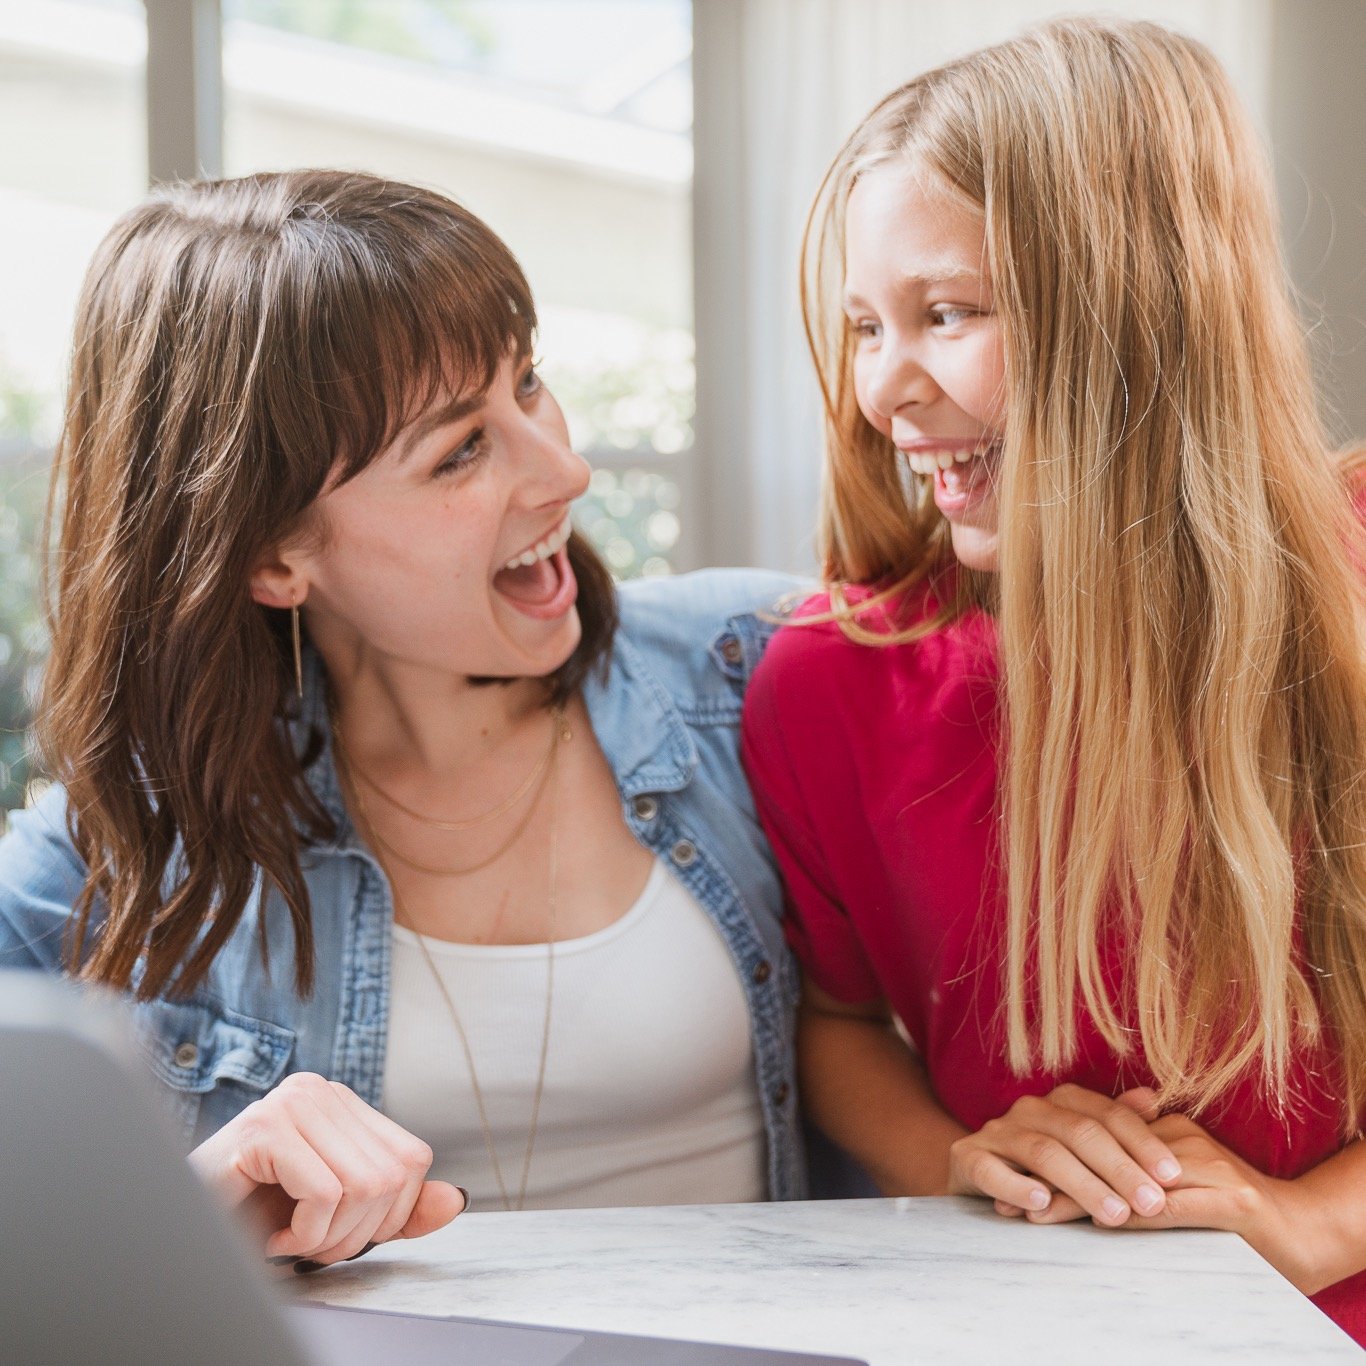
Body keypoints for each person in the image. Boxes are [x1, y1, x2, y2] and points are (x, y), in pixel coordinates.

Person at [0, 170, 805, 1271]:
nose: (565, 469)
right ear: (274, 555)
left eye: (530, 386)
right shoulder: (130, 847)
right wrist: (188, 1218)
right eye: (460, 449)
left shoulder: (755, 670)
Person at [740, 16, 1366, 1343]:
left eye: (946, 313)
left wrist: (1314, 1222)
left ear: (1133, 304)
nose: (880, 392)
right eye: (863, 326)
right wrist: (957, 1160)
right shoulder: (827, 681)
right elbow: (835, 1020)